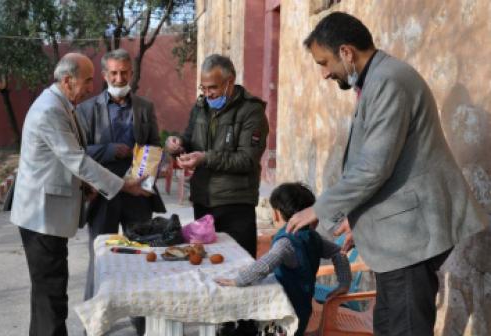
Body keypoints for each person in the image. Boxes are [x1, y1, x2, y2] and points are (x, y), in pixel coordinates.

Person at [287, 12, 488, 336]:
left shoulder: (389, 81)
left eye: (324, 62)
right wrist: (359, 219)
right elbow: (389, 164)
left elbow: (373, 167)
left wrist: (319, 209)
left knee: (404, 327)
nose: (324, 73)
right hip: (401, 233)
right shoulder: (378, 79)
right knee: (387, 324)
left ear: (346, 53)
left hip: (412, 234)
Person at [9, 52, 150, 336]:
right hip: (41, 216)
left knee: (48, 295)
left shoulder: (62, 105)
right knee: (51, 297)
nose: (90, 88)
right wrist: (123, 184)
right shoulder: (51, 109)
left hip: (47, 215)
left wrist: (86, 186)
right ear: (67, 80)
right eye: (87, 81)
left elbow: (63, 162)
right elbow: (77, 159)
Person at [165, 53, 269, 336]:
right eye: (204, 88)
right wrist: (177, 144)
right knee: (210, 268)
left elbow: (247, 159)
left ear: (229, 83)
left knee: (241, 273)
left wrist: (205, 158)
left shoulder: (252, 111)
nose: (207, 93)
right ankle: (220, 326)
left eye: (212, 87)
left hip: (236, 203)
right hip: (204, 201)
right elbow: (189, 137)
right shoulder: (201, 107)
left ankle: (244, 329)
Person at [76, 48, 165, 335]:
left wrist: (151, 168)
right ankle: (95, 320)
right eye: (113, 73)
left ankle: (142, 320)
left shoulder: (145, 107)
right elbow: (77, 151)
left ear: (132, 73)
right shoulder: (86, 109)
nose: (119, 77)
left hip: (136, 195)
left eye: (124, 72)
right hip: (102, 194)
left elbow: (154, 147)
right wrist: (109, 150)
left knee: (140, 255)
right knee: (100, 256)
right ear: (104, 75)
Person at [215, 182, 352, 336]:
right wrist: (344, 282)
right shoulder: (314, 238)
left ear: (277, 214)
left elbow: (264, 265)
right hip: (304, 307)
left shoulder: (286, 243)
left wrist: (238, 280)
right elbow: (339, 252)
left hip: (284, 311)